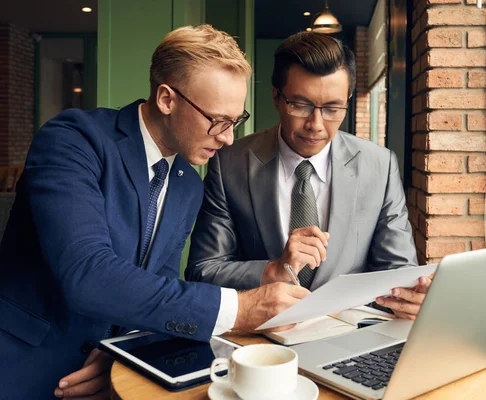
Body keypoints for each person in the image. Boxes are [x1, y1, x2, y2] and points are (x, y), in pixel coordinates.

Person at [0, 25, 309, 399]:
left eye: (235, 120)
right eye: (218, 120)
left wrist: (122, 354)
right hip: (25, 367)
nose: (227, 137)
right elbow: (86, 273)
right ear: (166, 98)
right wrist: (239, 308)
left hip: (109, 373)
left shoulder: (187, 184)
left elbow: (158, 287)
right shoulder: (72, 141)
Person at [186, 31, 430, 322]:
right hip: (261, 341)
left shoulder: (380, 165)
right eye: (300, 105)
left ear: (348, 101)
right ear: (277, 96)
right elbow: (203, 270)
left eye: (332, 108)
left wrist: (411, 296)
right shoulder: (229, 164)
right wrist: (272, 270)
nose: (315, 125)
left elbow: (397, 272)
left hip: (349, 340)